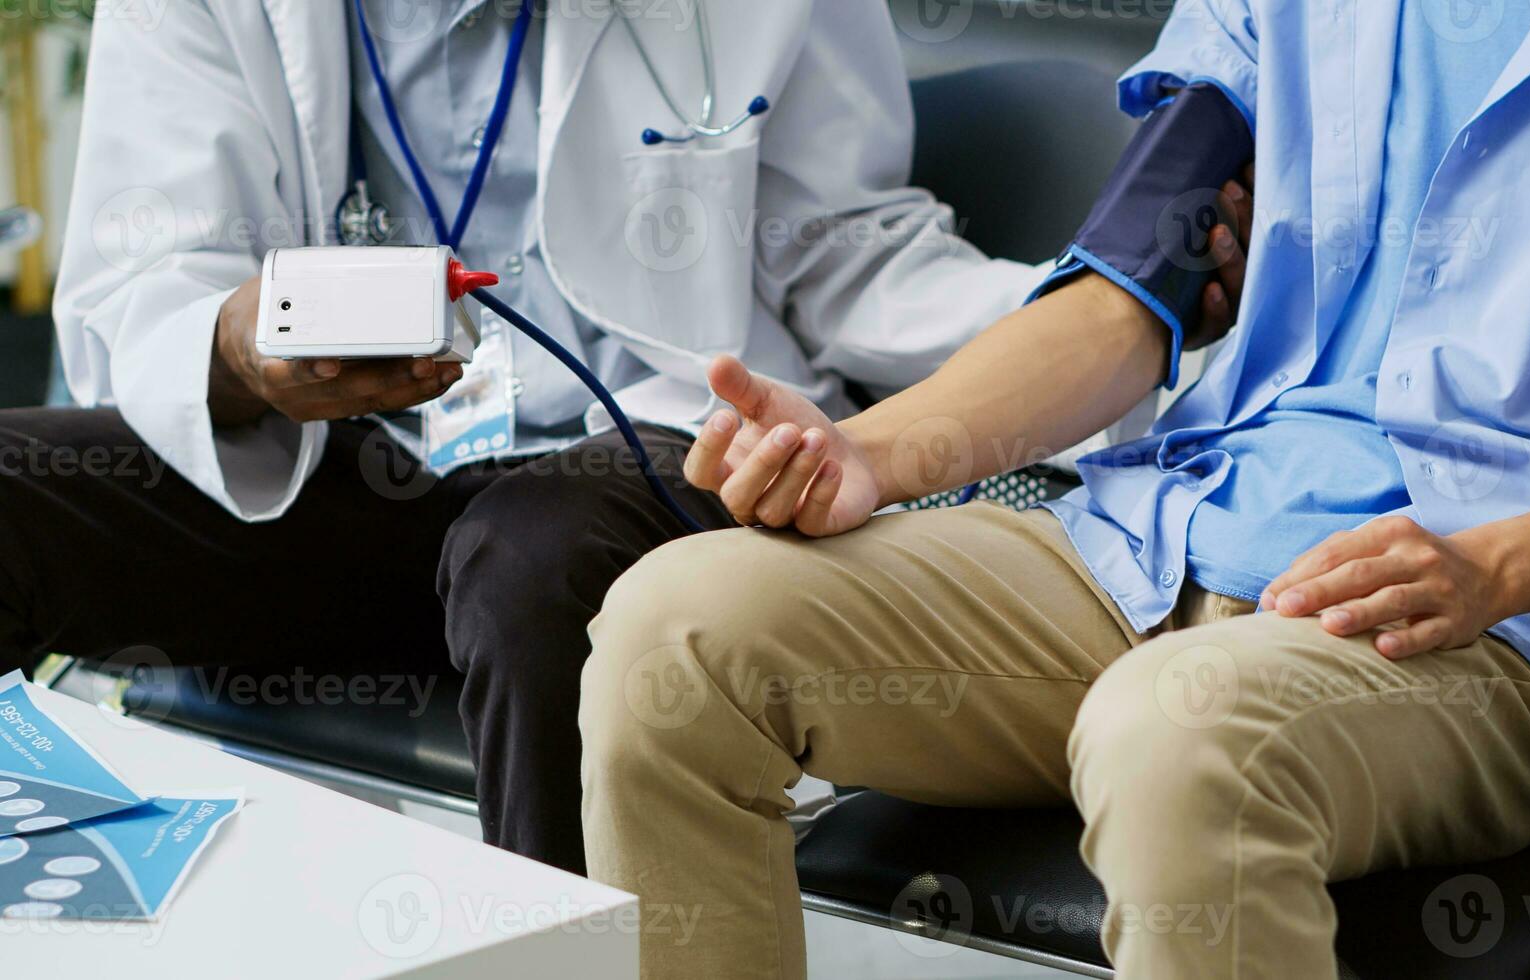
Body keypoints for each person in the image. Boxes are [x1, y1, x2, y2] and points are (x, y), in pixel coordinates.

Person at [580, 1, 1530, 976]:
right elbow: (1115, 303)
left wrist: (1497, 564)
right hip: (1159, 536)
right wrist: (869, 455)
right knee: (672, 634)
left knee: (1176, 736)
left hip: (1482, 625)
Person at [6, 0, 1253, 876]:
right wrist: (242, 351)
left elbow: (839, 244)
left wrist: (1094, 303)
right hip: (322, 479)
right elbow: (143, 288)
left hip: (638, 445)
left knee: (530, 551)